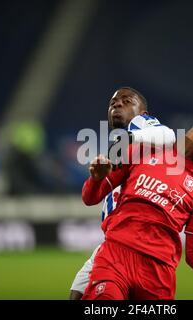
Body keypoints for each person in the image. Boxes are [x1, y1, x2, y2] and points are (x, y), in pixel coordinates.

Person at [81, 108, 193, 300]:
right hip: (115, 258)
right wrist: (96, 179)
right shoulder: (143, 149)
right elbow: (90, 198)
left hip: (158, 276)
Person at [69, 87, 175, 299]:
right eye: (113, 102)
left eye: (127, 101)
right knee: (77, 292)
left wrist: (129, 137)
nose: (117, 104)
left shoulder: (142, 127)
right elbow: (89, 198)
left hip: (137, 247)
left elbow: (169, 134)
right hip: (113, 243)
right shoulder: (120, 147)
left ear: (143, 112)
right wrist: (96, 178)